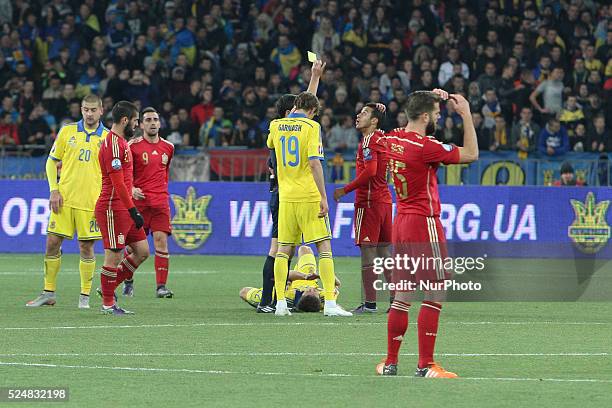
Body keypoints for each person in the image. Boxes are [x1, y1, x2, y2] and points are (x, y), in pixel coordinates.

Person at [376, 89, 478, 378]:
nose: (438, 117)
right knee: (435, 291)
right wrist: (466, 114)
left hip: (402, 223)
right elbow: (471, 154)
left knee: (403, 294)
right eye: (436, 114)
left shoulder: (392, 138)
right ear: (424, 116)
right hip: (424, 223)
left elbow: (414, 111)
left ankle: (390, 362)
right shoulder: (426, 148)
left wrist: (430, 95)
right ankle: (426, 364)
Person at [266, 92, 351, 317]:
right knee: (324, 248)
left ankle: (281, 304)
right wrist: (323, 197)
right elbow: (314, 163)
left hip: (286, 197)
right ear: (313, 110)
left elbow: (273, 146)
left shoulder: (276, 125)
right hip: (308, 195)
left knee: (283, 251)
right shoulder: (312, 127)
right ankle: (331, 304)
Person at [26, 95, 109, 309]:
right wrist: (54, 190)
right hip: (64, 199)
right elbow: (51, 162)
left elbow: (113, 174)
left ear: (101, 110)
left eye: (93, 110)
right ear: (81, 110)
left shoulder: (109, 139)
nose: (89, 114)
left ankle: (84, 297)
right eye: (85, 110)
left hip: (90, 202)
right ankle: (48, 292)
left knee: (86, 247)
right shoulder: (67, 131)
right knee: (52, 243)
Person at [257, 59, 326, 314]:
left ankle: (274, 300)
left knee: (283, 248)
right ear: (289, 112)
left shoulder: (278, 131)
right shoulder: (293, 129)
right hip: (286, 195)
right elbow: (305, 108)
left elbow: (306, 104)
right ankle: (267, 300)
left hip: (284, 194)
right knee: (278, 249)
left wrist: (315, 78)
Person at [333, 103, 393, 313]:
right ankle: (396, 302)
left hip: (368, 202)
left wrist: (345, 190)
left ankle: (369, 304)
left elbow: (370, 171)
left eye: (364, 113)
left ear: (374, 121)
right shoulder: (382, 138)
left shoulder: (368, 140)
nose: (358, 115)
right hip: (385, 201)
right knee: (384, 250)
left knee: (368, 252)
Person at [95, 101, 149, 315]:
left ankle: (107, 288)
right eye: (136, 121)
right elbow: (117, 183)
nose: (136, 125)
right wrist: (133, 210)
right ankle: (108, 304)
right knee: (114, 255)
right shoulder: (113, 145)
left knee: (143, 251)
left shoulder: (121, 142)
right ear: (125, 120)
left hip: (124, 207)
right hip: (112, 208)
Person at [121, 107, 175, 298]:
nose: (152, 123)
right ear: (142, 124)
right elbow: (125, 173)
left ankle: (161, 287)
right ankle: (128, 280)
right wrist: (132, 188)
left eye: (155, 119)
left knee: (161, 243)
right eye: (148, 120)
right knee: (133, 247)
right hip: (139, 204)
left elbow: (165, 172)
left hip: (160, 202)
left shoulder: (169, 147)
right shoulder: (132, 146)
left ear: (160, 123)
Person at [240, 246, 342, 312]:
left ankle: (263, 305)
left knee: (244, 292)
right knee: (305, 249)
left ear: (301, 296)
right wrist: (321, 275)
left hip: (297, 278)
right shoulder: (325, 298)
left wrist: (304, 277)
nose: (312, 289)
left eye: (308, 291)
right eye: (314, 291)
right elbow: (337, 284)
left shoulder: (289, 296)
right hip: (310, 274)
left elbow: (281, 276)